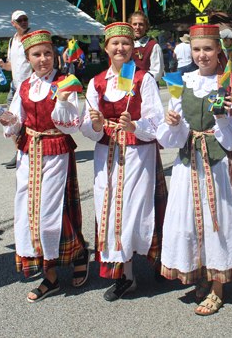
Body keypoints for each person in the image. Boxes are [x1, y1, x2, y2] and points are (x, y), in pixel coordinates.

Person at [157, 24, 232, 316]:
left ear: (219, 51)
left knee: (218, 222)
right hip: (189, 162)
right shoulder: (182, 82)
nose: (202, 55)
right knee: (191, 220)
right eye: (197, 49)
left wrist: (225, 120)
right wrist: (172, 123)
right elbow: (172, 138)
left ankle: (218, 287)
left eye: (208, 49)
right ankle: (201, 274)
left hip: (220, 164)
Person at [0, 29, 89, 302]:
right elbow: (18, 121)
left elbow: (69, 124)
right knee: (30, 212)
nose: (43, 59)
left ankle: (78, 254)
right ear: (28, 58)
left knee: (52, 211)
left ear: (55, 55)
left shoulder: (65, 82)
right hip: (29, 152)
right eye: (36, 55)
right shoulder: (25, 86)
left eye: (47, 53)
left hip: (55, 150)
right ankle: (49, 277)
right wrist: (9, 121)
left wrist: (61, 102)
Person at [80, 22, 167, 301]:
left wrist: (135, 126)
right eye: (115, 44)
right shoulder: (96, 82)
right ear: (106, 48)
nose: (121, 48)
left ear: (133, 48)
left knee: (140, 208)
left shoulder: (144, 79)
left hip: (139, 152)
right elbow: (87, 129)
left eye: (126, 43)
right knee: (111, 211)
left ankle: (161, 262)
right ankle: (126, 276)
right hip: (108, 154)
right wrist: (94, 124)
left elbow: (157, 121)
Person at [0, 10, 33, 169]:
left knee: (29, 122)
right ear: (13, 23)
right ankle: (19, 152)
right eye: (20, 20)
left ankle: (31, 151)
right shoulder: (12, 41)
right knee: (9, 119)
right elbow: (10, 65)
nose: (23, 22)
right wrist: (2, 65)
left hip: (30, 86)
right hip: (15, 87)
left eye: (25, 19)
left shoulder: (32, 38)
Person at [129, 11, 164, 82]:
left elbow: (157, 72)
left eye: (141, 24)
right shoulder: (127, 45)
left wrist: (140, 81)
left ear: (146, 26)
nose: (137, 27)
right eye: (134, 24)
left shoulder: (153, 46)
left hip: (146, 87)